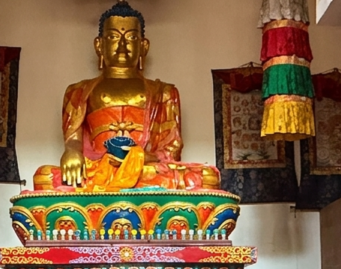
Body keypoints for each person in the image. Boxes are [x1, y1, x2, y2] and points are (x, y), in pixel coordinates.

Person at [32, 1, 219, 192]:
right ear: (99, 45)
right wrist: (71, 152)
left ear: (143, 46)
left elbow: (171, 150)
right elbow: (73, 139)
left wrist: (136, 158)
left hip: (144, 170)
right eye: (113, 37)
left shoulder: (164, 92)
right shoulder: (78, 91)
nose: (122, 46)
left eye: (131, 38)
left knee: (204, 178)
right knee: (45, 176)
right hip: (98, 169)